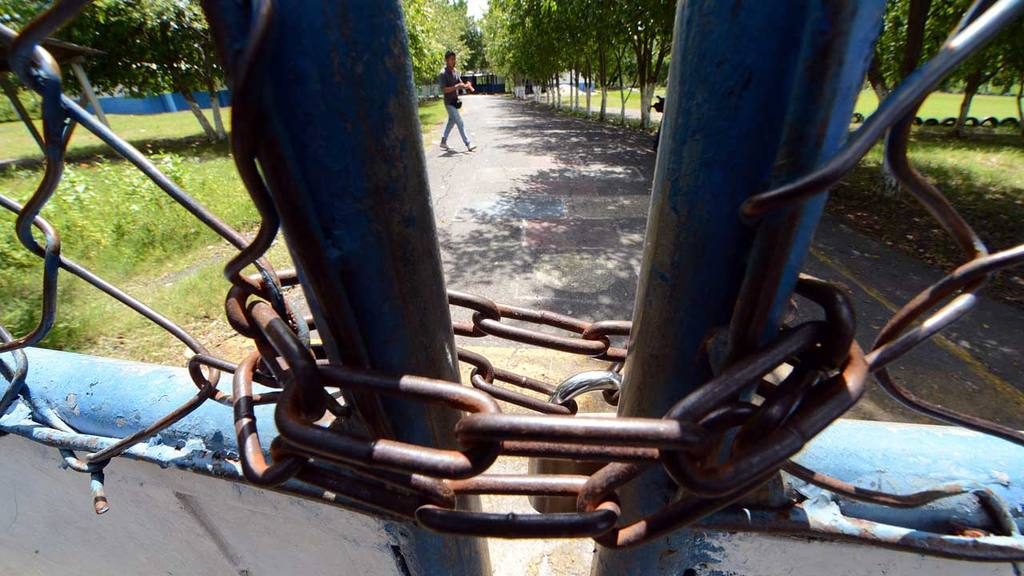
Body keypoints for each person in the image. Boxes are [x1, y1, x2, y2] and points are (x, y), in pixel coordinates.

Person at [438, 50, 476, 151]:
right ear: (446, 60)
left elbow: (460, 84)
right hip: (448, 102)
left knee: (451, 121)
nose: (454, 61)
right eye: (452, 59)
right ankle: (468, 143)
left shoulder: (455, 71)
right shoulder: (443, 73)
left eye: (454, 59)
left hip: (455, 101)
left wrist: (467, 85)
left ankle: (443, 141)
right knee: (459, 121)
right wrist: (456, 87)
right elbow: (444, 90)